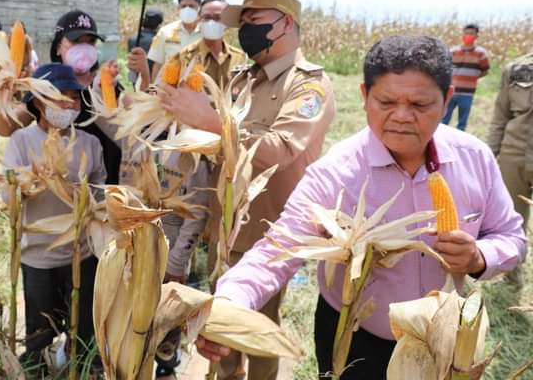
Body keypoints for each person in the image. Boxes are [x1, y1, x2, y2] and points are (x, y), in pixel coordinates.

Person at [196, 35, 528, 379]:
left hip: (443, 337)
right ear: (364, 97)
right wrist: (230, 301)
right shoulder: (336, 173)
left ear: (446, 101)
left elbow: (511, 236)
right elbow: (277, 249)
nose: (401, 116)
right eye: (386, 102)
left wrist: (479, 257)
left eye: (419, 105)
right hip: (354, 338)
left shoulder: (475, 159)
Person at [158, 0, 335, 380]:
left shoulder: (307, 86)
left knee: (256, 332)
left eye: (255, 22)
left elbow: (280, 149)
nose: (245, 32)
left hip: (269, 233)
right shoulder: (243, 80)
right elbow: (222, 146)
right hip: (224, 227)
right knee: (220, 331)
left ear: (286, 23)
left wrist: (210, 122)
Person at [2, 63, 106, 370]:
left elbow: (100, 196)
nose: (68, 105)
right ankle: (37, 370)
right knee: (39, 334)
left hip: (82, 254)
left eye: (73, 98)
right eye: (59, 97)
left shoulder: (91, 143)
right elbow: (8, 196)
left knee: (83, 331)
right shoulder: (21, 141)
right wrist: (33, 183)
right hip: (37, 256)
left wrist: (81, 195)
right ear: (37, 102)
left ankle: (82, 369)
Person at [0, 10, 123, 184]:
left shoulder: (109, 85)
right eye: (76, 41)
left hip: (106, 185)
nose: (84, 48)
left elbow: (129, 135)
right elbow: (5, 129)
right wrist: (4, 91)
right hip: (60, 188)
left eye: (91, 42)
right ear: (57, 47)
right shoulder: (44, 84)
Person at [487, 50, 533, 285]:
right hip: (513, 154)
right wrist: (490, 153)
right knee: (513, 217)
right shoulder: (516, 69)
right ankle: (513, 275)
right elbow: (500, 115)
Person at [148, 0, 246, 92]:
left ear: (227, 21)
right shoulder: (183, 57)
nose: (211, 22)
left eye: (217, 18)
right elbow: (164, 91)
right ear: (199, 19)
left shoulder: (239, 58)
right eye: (206, 17)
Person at [128, 0, 203, 83]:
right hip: (168, 90)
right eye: (183, 6)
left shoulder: (206, 34)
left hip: (197, 90)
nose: (187, 9)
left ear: (199, 8)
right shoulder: (165, 32)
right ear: (178, 8)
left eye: (191, 6)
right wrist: (153, 90)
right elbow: (157, 64)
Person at [442, 23, 490, 130]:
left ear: (476, 36)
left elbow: (485, 71)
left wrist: (471, 77)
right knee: (444, 121)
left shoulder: (480, 54)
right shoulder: (453, 52)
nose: (468, 36)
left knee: (462, 123)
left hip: (467, 94)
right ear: (463, 35)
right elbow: (445, 68)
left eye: (471, 34)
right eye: (466, 33)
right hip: (451, 91)